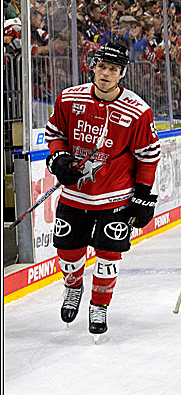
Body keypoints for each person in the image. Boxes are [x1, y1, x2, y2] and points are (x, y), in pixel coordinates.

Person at [44, 42, 160, 335]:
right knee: (67, 253)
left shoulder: (137, 111)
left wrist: (142, 195)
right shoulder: (69, 98)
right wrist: (60, 158)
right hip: (75, 195)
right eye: (102, 67)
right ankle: (73, 287)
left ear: (122, 74)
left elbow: (148, 156)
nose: (106, 74)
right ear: (93, 67)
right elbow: (55, 133)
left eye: (113, 69)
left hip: (116, 197)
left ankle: (99, 305)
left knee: (108, 256)